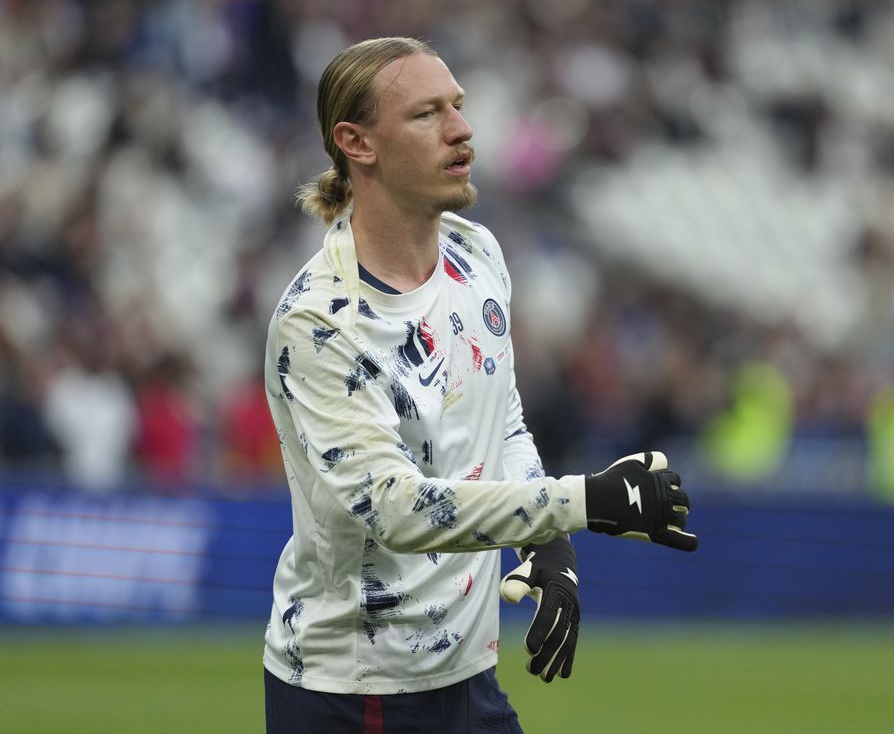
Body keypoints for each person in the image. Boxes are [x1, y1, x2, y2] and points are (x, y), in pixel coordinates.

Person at [262, 36, 698, 734]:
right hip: (362, 693)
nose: (462, 129)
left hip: (468, 679)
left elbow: (503, 424)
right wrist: (583, 501)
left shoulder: (475, 253)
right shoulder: (322, 324)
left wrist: (547, 544)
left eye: (458, 107)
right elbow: (396, 511)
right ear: (357, 142)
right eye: (427, 114)